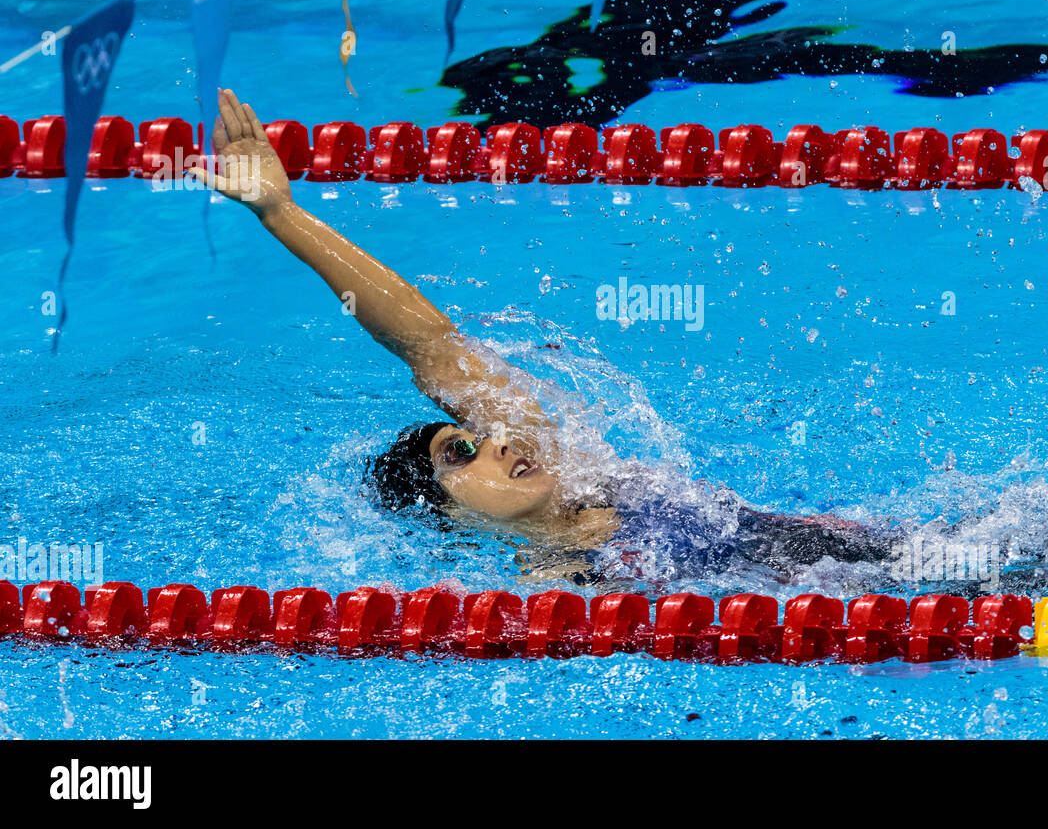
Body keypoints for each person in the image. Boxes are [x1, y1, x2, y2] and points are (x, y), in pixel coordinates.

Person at [190, 89, 887, 585]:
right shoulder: (561, 585)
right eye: (460, 456)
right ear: (454, 521)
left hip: (875, 553)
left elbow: (427, 343)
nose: (494, 439)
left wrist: (283, 214)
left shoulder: (573, 464)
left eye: (470, 435)